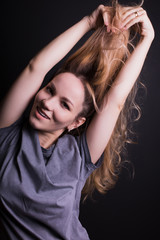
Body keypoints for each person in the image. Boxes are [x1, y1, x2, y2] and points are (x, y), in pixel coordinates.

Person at [0, 0, 154, 239]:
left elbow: (115, 100)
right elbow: (35, 68)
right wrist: (89, 22)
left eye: (64, 104)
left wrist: (147, 39)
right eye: (50, 90)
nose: (47, 103)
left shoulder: (79, 156)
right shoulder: (7, 137)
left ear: (76, 122)